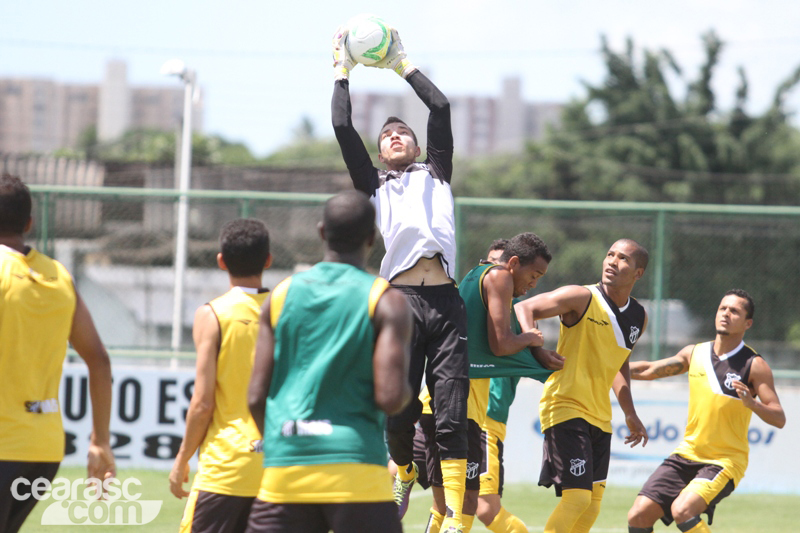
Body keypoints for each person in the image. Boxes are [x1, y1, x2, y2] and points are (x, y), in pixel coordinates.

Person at [332, 22, 469, 530]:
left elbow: (441, 108)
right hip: (402, 303)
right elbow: (343, 129)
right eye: (388, 134)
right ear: (382, 150)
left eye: (402, 133)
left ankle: (453, 514)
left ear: (416, 146)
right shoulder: (374, 185)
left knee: (453, 410)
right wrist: (342, 70)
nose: (396, 136)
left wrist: (401, 63)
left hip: (447, 302)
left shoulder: (437, 172)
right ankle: (405, 468)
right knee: (400, 413)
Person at [245, 191, 413, 533]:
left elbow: (254, 397)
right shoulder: (386, 300)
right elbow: (391, 398)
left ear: (322, 232)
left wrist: (285, 443)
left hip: (285, 470)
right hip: (356, 471)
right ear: (372, 238)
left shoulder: (280, 295)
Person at [0, 173, 115, 533]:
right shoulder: (60, 277)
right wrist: (100, 441)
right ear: (30, 223)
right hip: (43, 452)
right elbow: (99, 359)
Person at [421, 232, 558, 533]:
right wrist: (531, 338)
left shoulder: (475, 274)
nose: (534, 284)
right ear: (512, 263)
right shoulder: (500, 278)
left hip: (444, 397)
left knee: (458, 503)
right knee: (464, 507)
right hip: (463, 402)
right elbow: (501, 345)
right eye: (534, 275)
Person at [515, 238, 651, 533]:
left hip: (600, 415)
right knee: (577, 500)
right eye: (610, 254)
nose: (612, 262)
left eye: (623, 259)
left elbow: (618, 359)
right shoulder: (580, 297)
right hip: (565, 405)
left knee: (591, 507)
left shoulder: (638, 316)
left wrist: (629, 412)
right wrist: (537, 349)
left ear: (638, 273)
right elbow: (524, 308)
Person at [626, 289, 785, 533]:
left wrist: (753, 404)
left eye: (734, 311)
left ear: (748, 323)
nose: (726, 314)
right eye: (723, 308)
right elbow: (649, 369)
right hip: (686, 454)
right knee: (638, 515)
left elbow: (779, 417)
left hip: (724, 461)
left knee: (683, 510)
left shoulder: (755, 365)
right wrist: (607, 366)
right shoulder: (694, 353)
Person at [169, 219, 272, 533]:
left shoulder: (212, 314)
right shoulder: (286, 310)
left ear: (221, 261)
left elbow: (202, 403)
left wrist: (182, 459)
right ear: (268, 260)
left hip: (226, 466)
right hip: (278, 466)